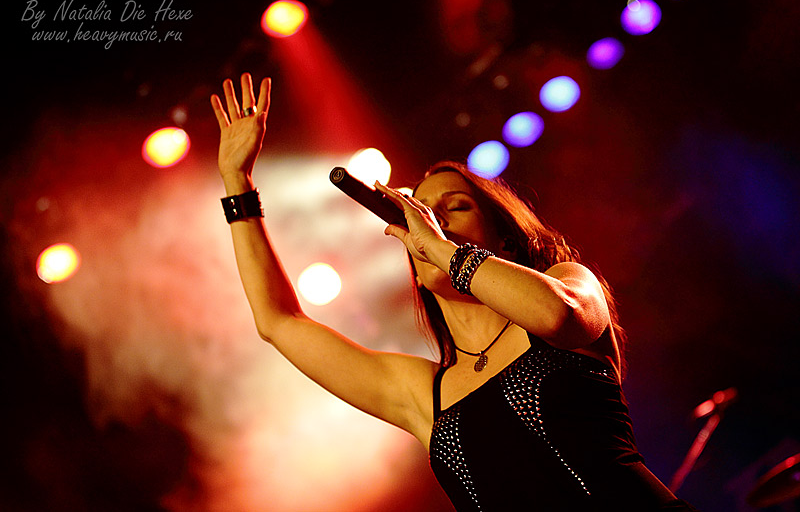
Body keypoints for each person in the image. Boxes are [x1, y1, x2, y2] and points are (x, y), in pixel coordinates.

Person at [210, 74, 697, 511]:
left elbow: (556, 314)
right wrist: (237, 184)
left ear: (502, 238)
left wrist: (442, 249)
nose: (431, 221)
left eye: (453, 207)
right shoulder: (425, 394)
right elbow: (278, 322)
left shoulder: (568, 283)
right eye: (420, 212)